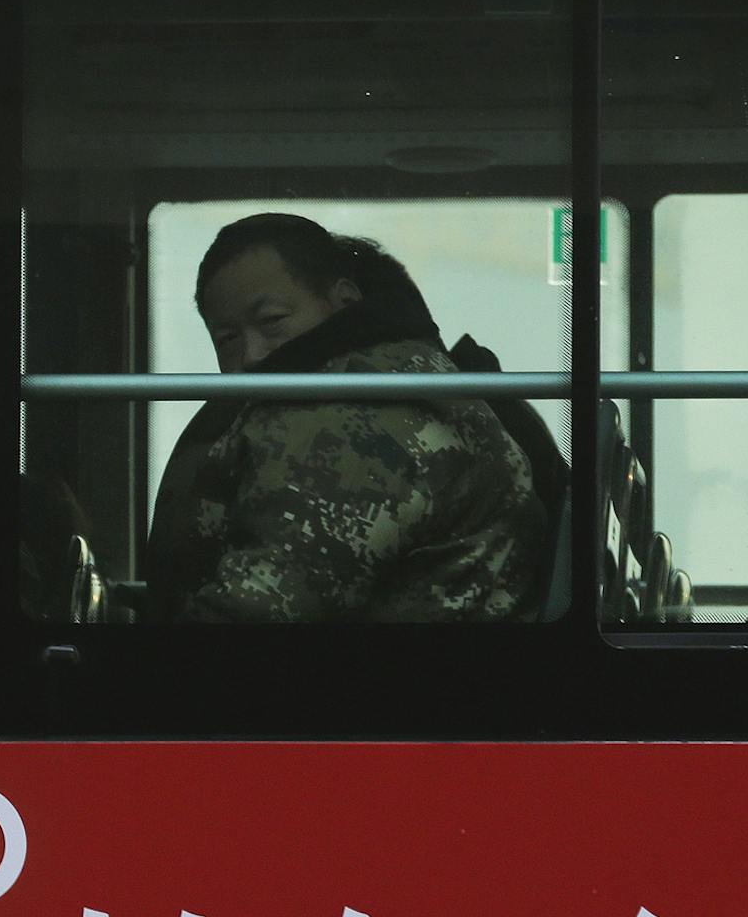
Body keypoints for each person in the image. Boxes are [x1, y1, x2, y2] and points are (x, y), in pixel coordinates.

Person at [145, 213, 548, 622]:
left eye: (272, 321)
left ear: (344, 300)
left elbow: (266, 608)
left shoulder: (351, 417)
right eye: (227, 340)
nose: (250, 355)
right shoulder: (400, 376)